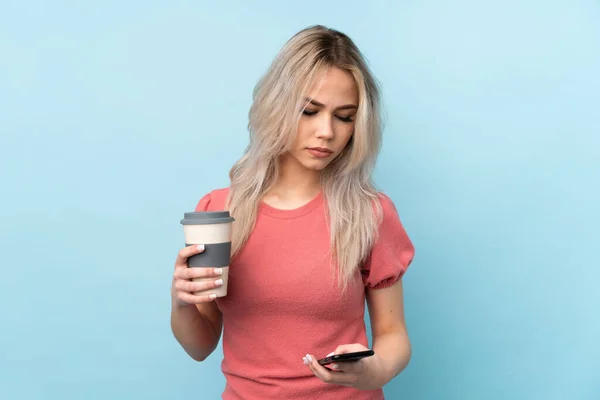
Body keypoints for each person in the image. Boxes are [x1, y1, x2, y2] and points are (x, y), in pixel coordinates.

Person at [170, 24, 415, 399]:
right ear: (277, 106)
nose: (326, 132)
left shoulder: (370, 213)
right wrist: (181, 302)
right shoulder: (219, 211)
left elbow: (393, 336)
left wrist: (373, 370)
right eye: (309, 111)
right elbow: (200, 346)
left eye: (344, 116)